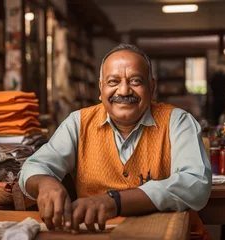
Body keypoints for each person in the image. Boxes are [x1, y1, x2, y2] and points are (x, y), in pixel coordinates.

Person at [19, 43, 212, 236]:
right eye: (113, 82)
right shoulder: (78, 123)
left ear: (151, 87)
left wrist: (115, 201)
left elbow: (195, 183)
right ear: (100, 88)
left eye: (136, 81)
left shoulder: (178, 121)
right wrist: (45, 183)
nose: (124, 91)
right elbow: (35, 165)